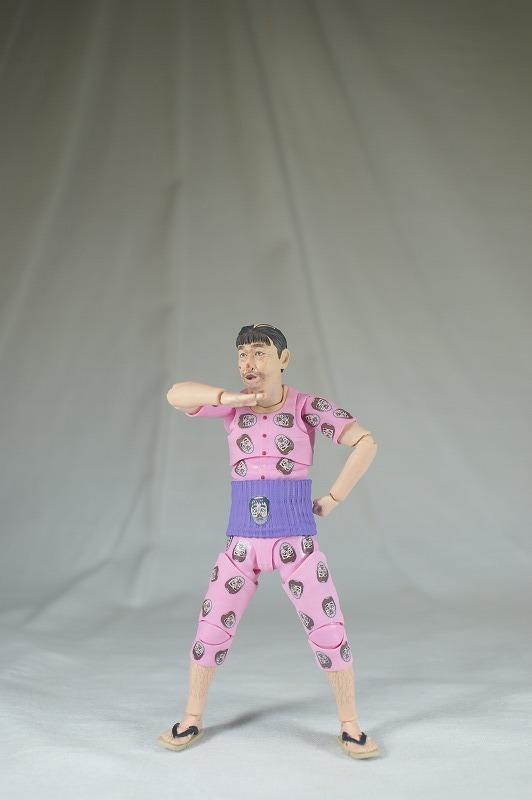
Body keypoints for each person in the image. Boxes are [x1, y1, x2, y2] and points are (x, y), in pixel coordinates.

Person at [157, 324, 379, 759]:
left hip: (297, 540)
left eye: (259, 352)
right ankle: (192, 716)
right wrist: (227, 399)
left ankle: (350, 724)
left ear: (283, 359)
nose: (249, 362)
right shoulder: (230, 407)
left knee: (328, 630)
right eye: (242, 353)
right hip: (242, 541)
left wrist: (334, 497)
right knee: (211, 627)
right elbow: (175, 395)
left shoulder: (306, 406)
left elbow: (365, 442)